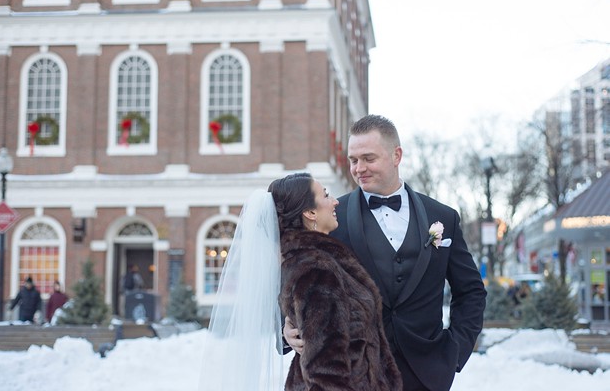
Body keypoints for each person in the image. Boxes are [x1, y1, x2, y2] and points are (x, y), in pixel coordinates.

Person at [284, 115, 487, 391]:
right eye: (353, 160)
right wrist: (286, 328)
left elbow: (471, 291)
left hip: (427, 375)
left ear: (396, 156)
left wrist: (455, 350)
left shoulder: (443, 217)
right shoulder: (330, 217)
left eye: (369, 158)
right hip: (355, 376)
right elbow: (296, 279)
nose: (359, 169)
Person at [200, 175, 401, 390]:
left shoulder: (319, 259)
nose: (335, 201)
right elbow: (325, 370)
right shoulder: (315, 269)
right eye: (326, 195)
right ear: (310, 213)